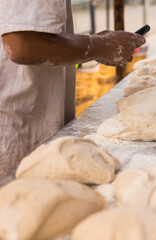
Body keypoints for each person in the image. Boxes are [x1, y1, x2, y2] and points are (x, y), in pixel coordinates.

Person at [0, 0, 146, 179]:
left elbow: (38, 33)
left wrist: (98, 44)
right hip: (15, 134)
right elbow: (23, 44)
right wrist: (103, 45)